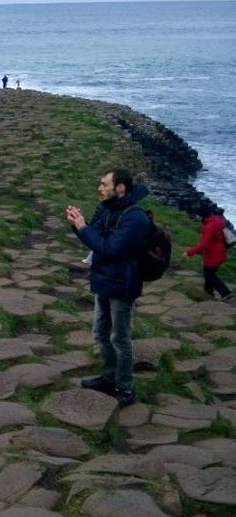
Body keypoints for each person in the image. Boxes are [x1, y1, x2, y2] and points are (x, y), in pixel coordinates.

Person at [66, 167, 151, 408]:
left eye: (104, 184)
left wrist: (83, 228)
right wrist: (78, 224)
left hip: (123, 285)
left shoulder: (136, 218)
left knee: (120, 339)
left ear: (120, 187)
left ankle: (125, 389)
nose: (99, 188)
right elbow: (94, 237)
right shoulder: (106, 207)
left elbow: (111, 249)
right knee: (100, 334)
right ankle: (108, 377)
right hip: (102, 280)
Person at [184, 207, 232, 301]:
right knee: (209, 274)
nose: (197, 217)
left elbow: (204, 245)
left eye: (198, 215)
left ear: (203, 216)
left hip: (213, 254)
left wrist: (189, 252)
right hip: (220, 251)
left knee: (209, 275)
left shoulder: (209, 227)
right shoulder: (217, 220)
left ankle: (226, 293)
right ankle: (208, 294)